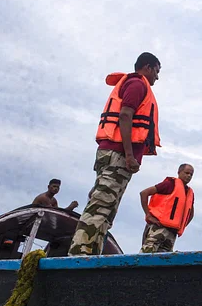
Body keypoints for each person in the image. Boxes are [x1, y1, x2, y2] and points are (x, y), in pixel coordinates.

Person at [68, 52, 162, 256]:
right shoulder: (138, 84)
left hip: (116, 155)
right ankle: (79, 254)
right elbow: (125, 114)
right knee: (101, 206)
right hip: (117, 154)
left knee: (107, 209)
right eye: (156, 70)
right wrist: (129, 155)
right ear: (147, 67)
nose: (157, 76)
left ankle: (91, 254)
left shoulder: (137, 84)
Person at [139, 164, 195, 253]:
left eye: (191, 174)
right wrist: (148, 215)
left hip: (172, 232)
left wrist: (181, 226)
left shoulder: (189, 193)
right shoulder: (170, 184)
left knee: (164, 259)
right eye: (186, 173)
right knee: (147, 253)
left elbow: (190, 214)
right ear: (179, 172)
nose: (189, 176)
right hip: (158, 227)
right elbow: (144, 193)